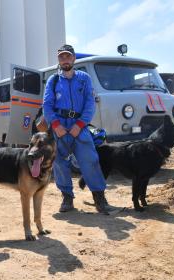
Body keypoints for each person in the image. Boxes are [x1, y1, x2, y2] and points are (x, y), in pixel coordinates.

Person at [42, 44, 113, 214]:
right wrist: (56, 125)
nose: (65, 60)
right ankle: (67, 198)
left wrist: (80, 125)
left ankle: (99, 197)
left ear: (73, 58)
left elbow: (90, 103)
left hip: (79, 127)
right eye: (61, 57)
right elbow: (47, 104)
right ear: (59, 60)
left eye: (68, 56)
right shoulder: (53, 81)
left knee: (90, 160)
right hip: (59, 127)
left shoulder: (84, 78)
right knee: (59, 163)